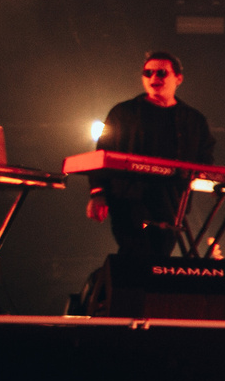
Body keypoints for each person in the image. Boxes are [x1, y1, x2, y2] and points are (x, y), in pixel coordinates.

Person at [92, 50, 214, 264]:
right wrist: (97, 193)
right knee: (135, 254)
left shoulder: (194, 120)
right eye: (147, 73)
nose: (153, 78)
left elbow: (205, 159)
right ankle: (106, 292)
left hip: (172, 204)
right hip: (128, 200)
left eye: (161, 73)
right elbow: (101, 154)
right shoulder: (123, 113)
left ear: (178, 79)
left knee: (158, 260)